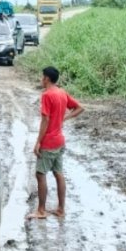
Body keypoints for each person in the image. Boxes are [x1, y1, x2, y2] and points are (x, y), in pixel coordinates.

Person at [27, 66, 84, 220]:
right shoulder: (62, 92)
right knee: (58, 173)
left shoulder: (47, 95)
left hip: (49, 142)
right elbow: (80, 108)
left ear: (46, 78)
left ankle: (41, 210)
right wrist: (64, 119)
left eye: (42, 77)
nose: (41, 79)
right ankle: (60, 209)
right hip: (60, 141)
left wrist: (38, 142)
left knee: (40, 174)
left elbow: (45, 120)